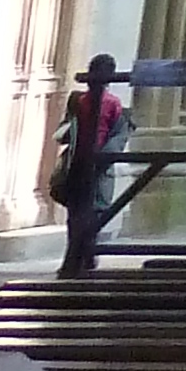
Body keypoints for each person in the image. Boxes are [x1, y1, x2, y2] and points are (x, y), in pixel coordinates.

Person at [52, 53, 129, 275]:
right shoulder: (80, 100)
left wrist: (103, 157)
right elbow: (67, 129)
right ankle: (78, 258)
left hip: (95, 165)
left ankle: (81, 258)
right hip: (81, 164)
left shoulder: (112, 104)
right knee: (80, 214)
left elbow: (117, 134)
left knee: (88, 214)